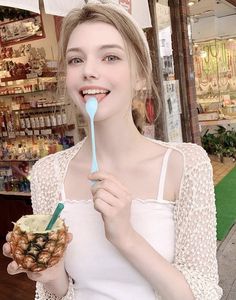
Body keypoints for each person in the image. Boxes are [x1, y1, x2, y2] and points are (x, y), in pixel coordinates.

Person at [3, 1, 223, 299]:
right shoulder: (48, 173)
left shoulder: (186, 164)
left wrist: (125, 237)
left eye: (110, 57)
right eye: (75, 60)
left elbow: (203, 294)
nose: (89, 71)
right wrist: (53, 278)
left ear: (141, 75)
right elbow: (57, 294)